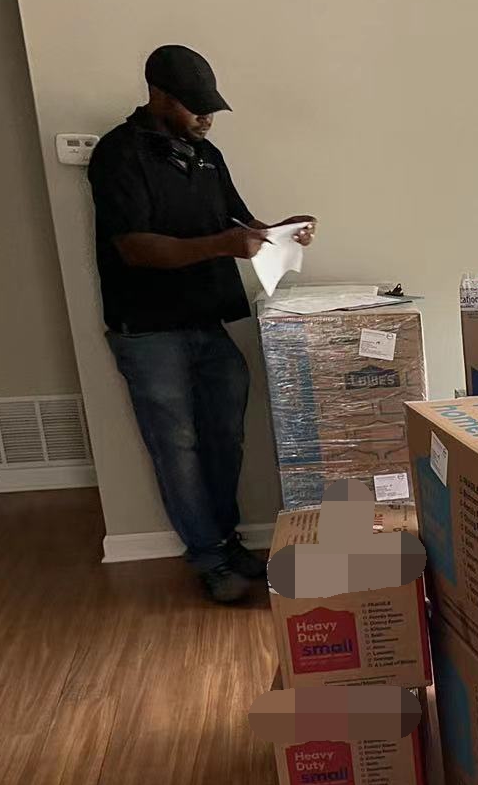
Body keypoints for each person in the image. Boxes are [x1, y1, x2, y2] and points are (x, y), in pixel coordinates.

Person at [87, 45, 316, 602]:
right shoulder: (118, 154)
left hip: (207, 321)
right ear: (158, 96)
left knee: (224, 438)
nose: (206, 117)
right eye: (194, 106)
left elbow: (239, 222)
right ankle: (210, 557)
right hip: (148, 329)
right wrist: (222, 245)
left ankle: (226, 542)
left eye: (211, 107)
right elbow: (134, 247)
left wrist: (280, 230)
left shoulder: (208, 155)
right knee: (177, 447)